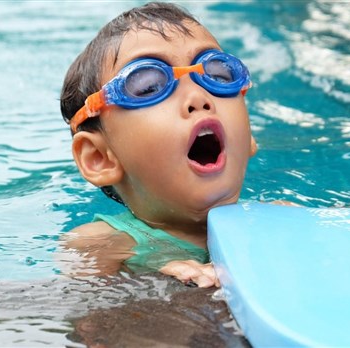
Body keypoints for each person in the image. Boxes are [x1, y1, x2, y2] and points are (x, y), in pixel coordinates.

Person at [59, 2, 257, 288]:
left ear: (248, 136)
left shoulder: (274, 220)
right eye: (149, 86)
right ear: (100, 158)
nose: (199, 98)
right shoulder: (100, 244)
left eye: (218, 75)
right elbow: (85, 324)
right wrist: (167, 292)